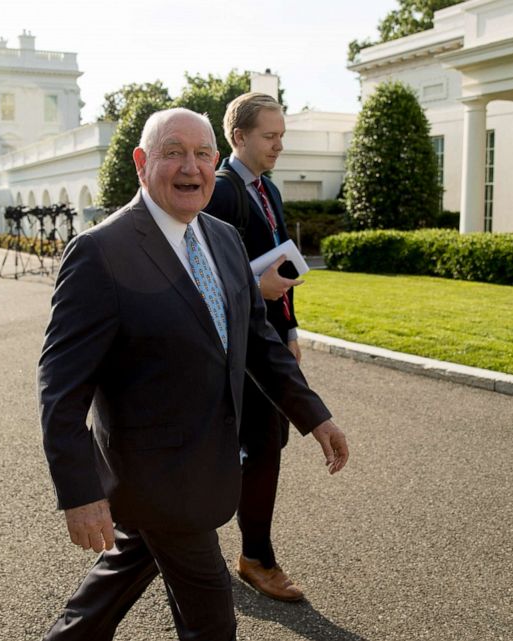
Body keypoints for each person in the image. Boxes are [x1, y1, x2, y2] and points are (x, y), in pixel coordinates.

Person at [38, 107, 349, 641]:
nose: (192, 167)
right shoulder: (100, 253)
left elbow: (259, 344)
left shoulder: (224, 239)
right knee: (212, 625)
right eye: (173, 152)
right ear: (141, 162)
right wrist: (79, 491)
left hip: (204, 468)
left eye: (203, 154)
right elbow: (60, 387)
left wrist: (314, 417)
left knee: (119, 578)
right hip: (157, 476)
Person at [203, 92, 307, 601]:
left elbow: (282, 266)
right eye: (270, 136)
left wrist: (290, 332)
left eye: (282, 135)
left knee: (265, 445)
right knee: (260, 446)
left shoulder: (269, 189)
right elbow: (200, 270)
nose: (279, 145)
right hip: (235, 345)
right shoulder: (220, 193)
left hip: (268, 341)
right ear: (238, 138)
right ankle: (256, 557)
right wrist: (254, 285)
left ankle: (231, 549)